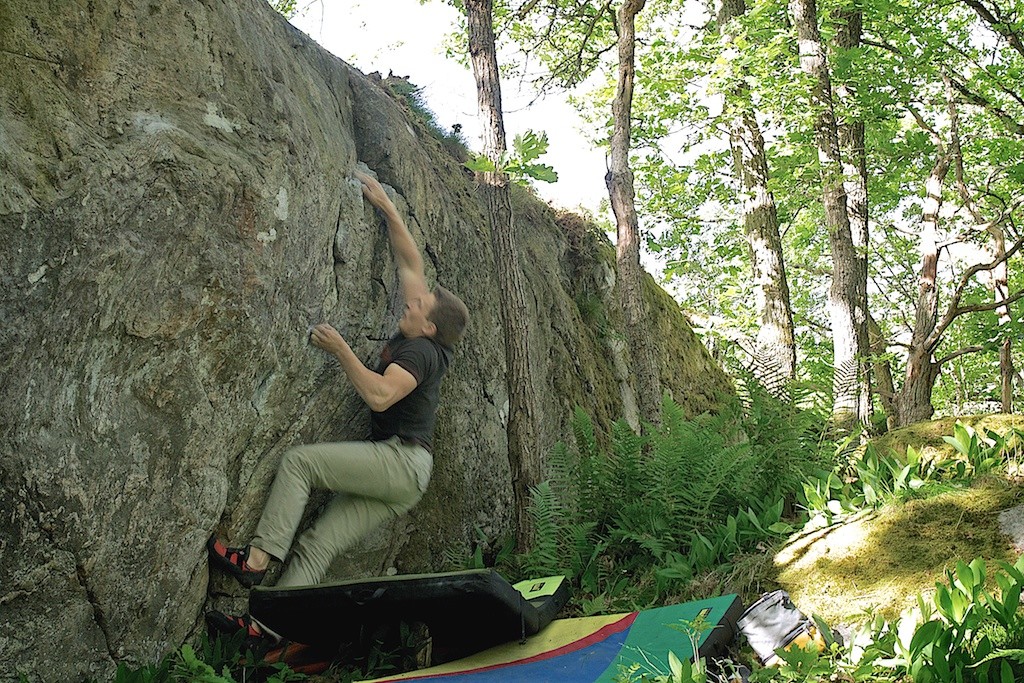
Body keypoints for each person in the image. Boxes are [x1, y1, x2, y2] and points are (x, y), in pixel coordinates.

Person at [206, 168, 469, 643]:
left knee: (300, 464)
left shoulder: (421, 353)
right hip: (407, 479)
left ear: (430, 327)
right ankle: (266, 633)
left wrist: (340, 348)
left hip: (402, 463)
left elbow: (380, 394)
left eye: (420, 305)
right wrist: (386, 205)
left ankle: (257, 561)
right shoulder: (424, 329)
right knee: (319, 544)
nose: (411, 302)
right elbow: (411, 262)